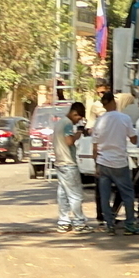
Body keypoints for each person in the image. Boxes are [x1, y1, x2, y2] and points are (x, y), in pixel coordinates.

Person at [91, 90, 139, 234]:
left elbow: (95, 146)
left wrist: (96, 165)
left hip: (103, 162)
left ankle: (110, 225)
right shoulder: (124, 118)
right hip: (119, 162)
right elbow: (133, 139)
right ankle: (130, 224)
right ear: (114, 102)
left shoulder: (99, 121)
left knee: (105, 195)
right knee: (127, 194)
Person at [50, 98, 89, 231]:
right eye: (78, 117)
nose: (77, 120)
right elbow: (69, 141)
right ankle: (79, 222)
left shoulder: (59, 123)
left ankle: (63, 221)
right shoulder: (67, 124)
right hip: (68, 163)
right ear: (74, 113)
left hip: (60, 163)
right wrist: (78, 132)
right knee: (75, 194)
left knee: (63, 194)